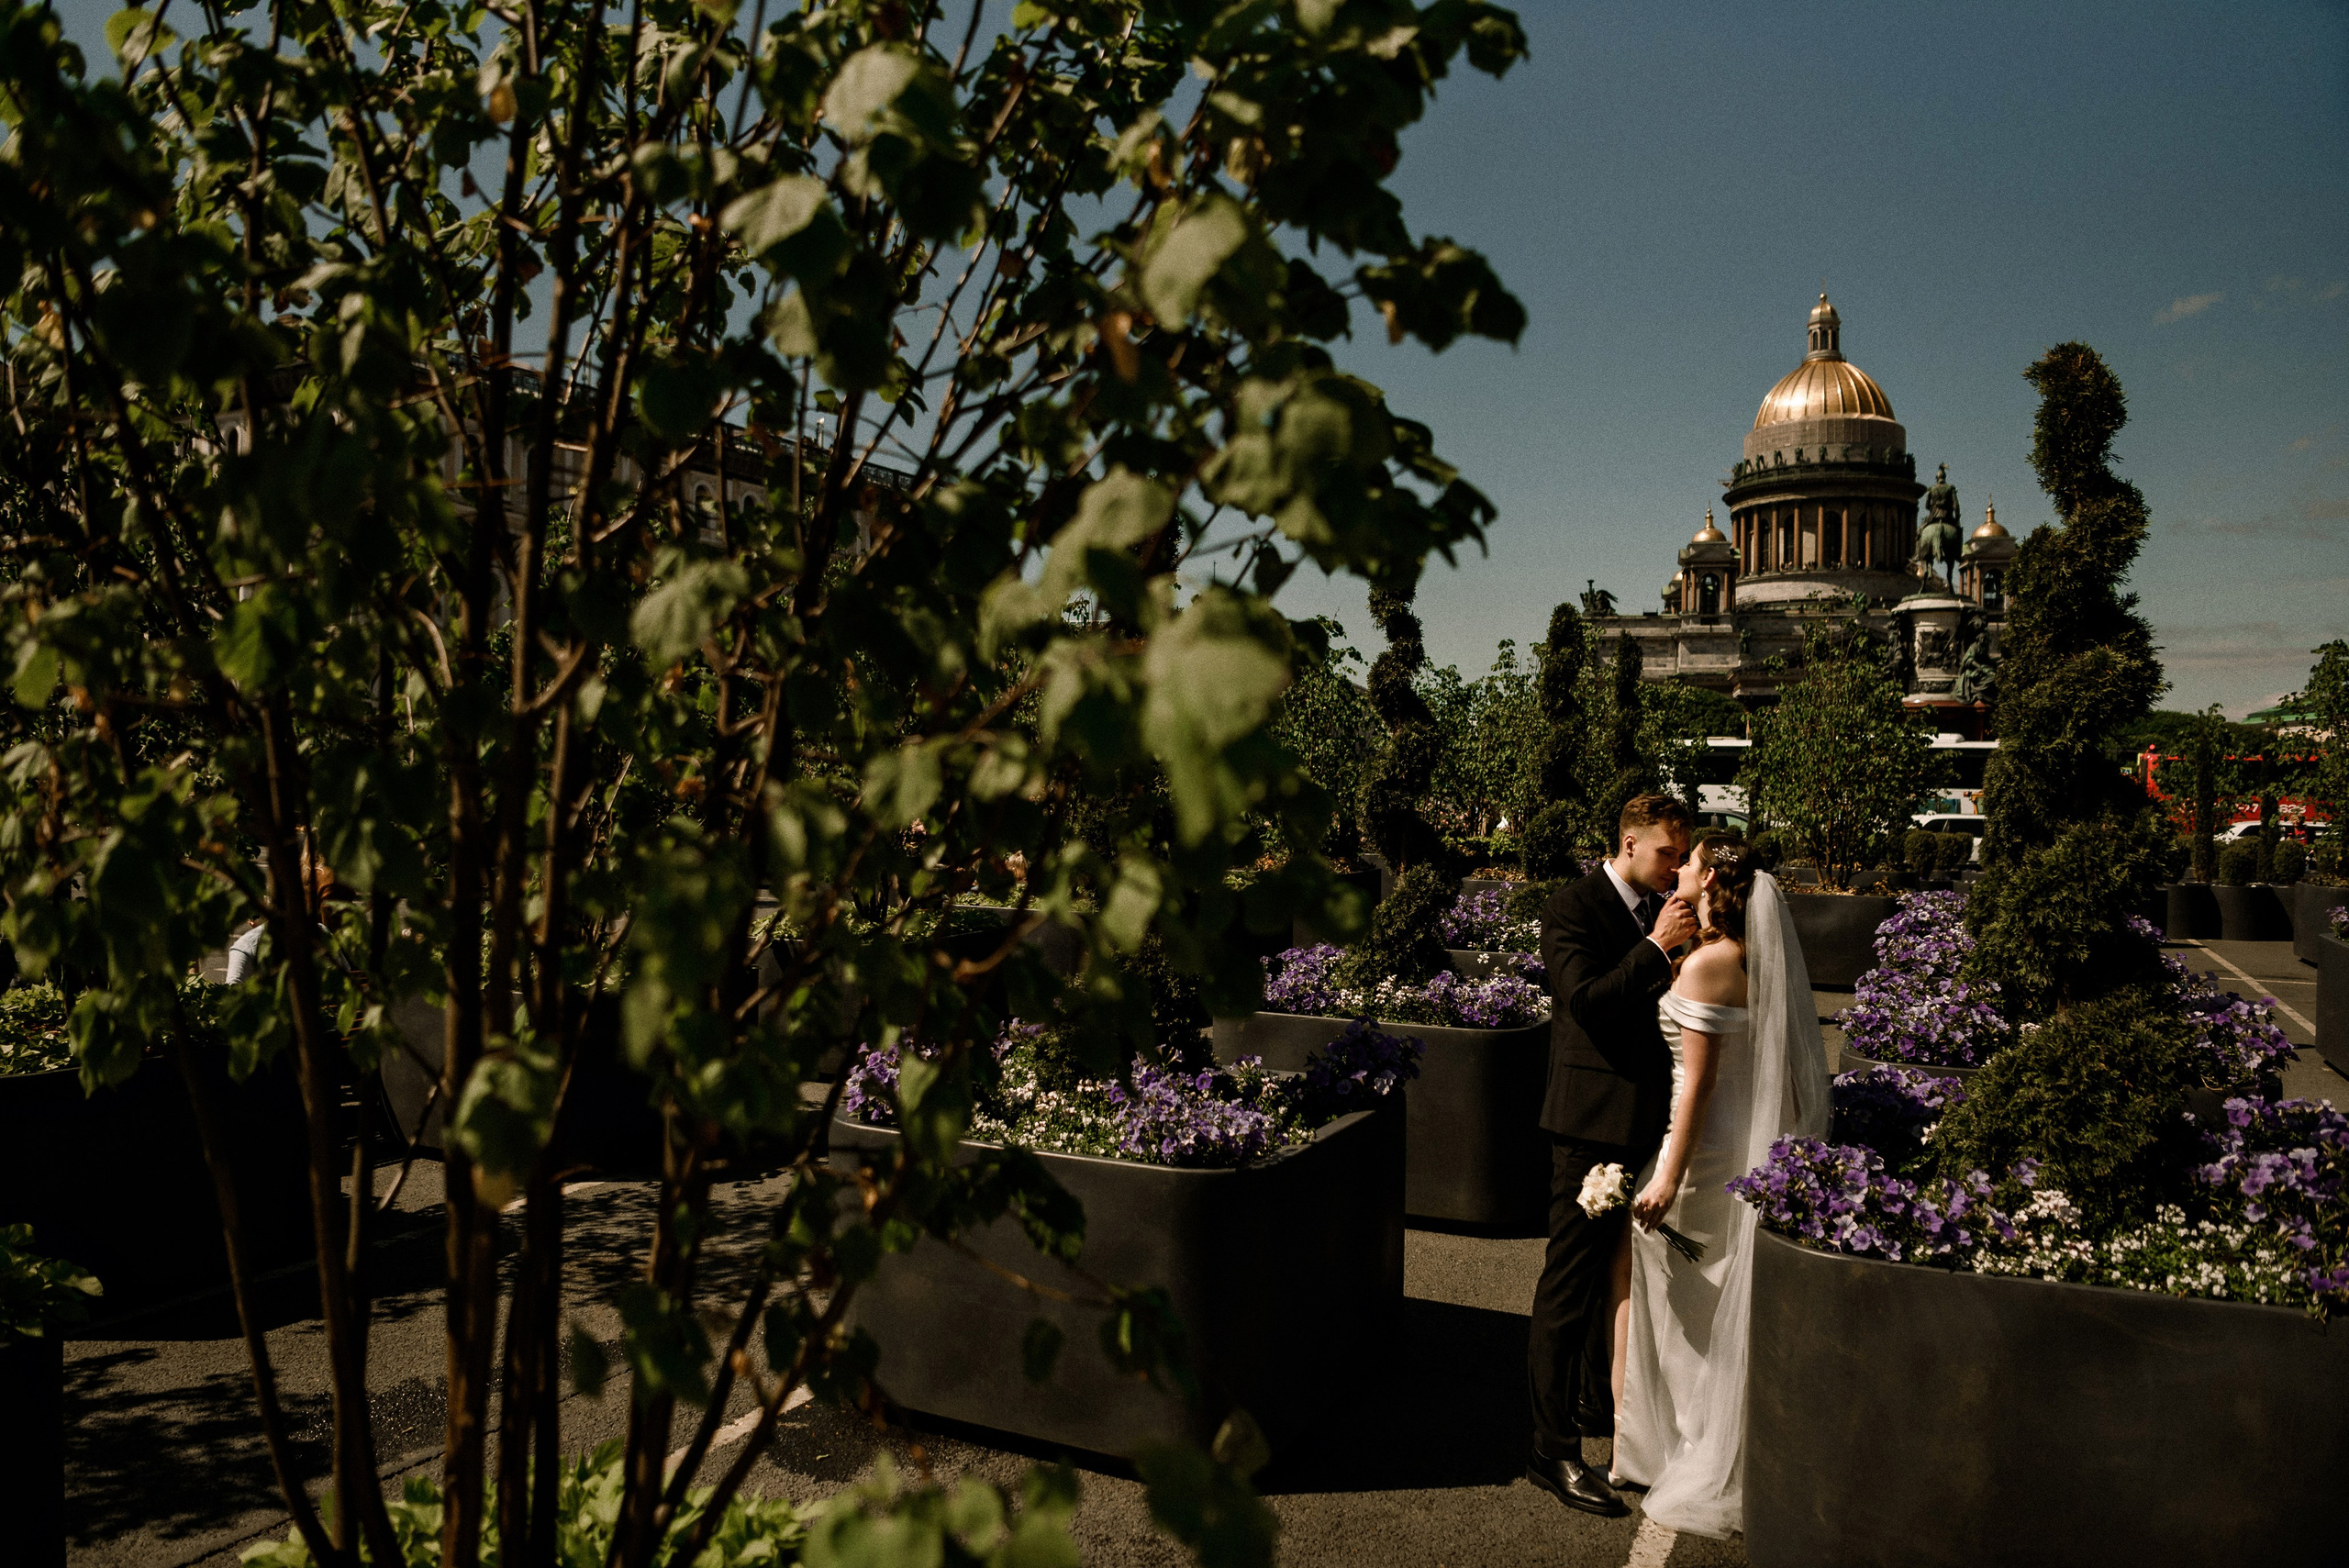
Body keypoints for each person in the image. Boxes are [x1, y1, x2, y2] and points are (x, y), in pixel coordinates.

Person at [1611, 835, 1831, 1536]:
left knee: (1679, 1287)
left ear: (1710, 880)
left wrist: (1668, 1178)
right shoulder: (1744, 957)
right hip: (1743, 1139)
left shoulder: (1707, 963)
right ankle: (1707, 1436)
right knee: (1720, 1283)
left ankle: (1687, 1446)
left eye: (1690, 862)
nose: (1677, 870)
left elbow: (1698, 1084)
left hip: (1703, 1147)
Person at [1525, 794, 1697, 1518]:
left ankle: (1600, 1403)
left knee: (1614, 1279)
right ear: (1629, 843)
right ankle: (1551, 1448)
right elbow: (1587, 1001)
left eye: (1682, 855)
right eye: (1667, 853)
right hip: (1590, 1124)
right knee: (1569, 1284)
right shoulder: (1572, 906)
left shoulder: (1670, 914)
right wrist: (1657, 948)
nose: (1676, 867)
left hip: (1648, 1119)